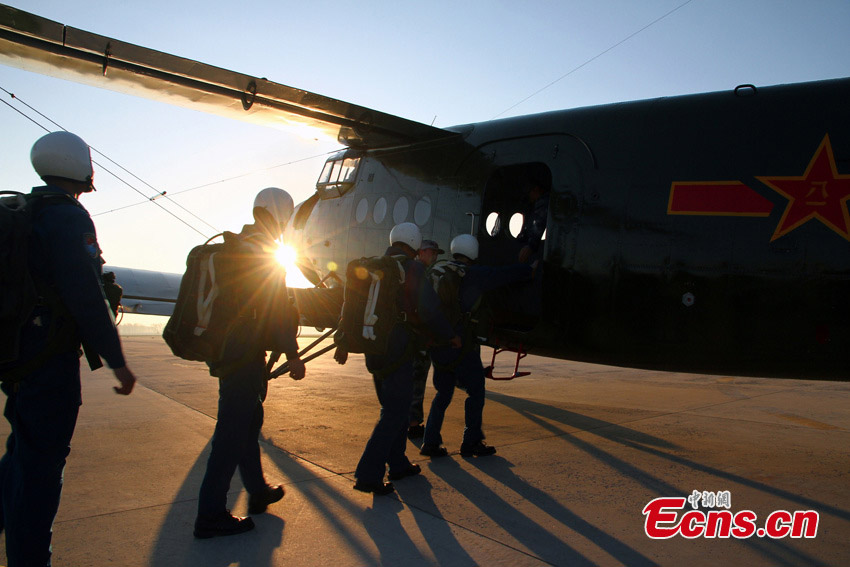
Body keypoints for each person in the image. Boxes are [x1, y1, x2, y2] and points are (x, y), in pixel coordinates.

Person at [0, 131, 137, 566]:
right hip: (49, 363)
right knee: (42, 471)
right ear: (79, 164)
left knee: (21, 451)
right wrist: (117, 362)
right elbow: (85, 298)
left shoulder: (27, 210)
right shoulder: (69, 218)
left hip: (17, 357)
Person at [194, 187, 306, 539]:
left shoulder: (239, 243)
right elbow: (276, 312)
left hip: (229, 353)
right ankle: (210, 515)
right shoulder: (263, 251)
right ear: (282, 215)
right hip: (243, 359)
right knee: (230, 434)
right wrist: (293, 354)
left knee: (247, 422)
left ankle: (257, 491)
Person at [335, 223, 459, 495]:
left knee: (394, 408)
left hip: (373, 347)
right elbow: (428, 308)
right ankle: (368, 475)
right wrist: (449, 335)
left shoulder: (374, 267)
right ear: (414, 244)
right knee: (394, 412)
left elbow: (349, 306)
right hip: (397, 348)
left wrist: (342, 342)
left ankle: (399, 463)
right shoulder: (412, 268)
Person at [421, 234, 532, 458]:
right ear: (472, 253)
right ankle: (471, 442)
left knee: (443, 394)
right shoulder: (472, 274)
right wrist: (529, 268)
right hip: (461, 346)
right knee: (476, 391)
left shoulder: (437, 271)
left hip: (438, 344)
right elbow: (503, 275)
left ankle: (430, 442)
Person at [408, 239, 444, 439]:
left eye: (437, 253)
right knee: (417, 379)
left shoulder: (414, 271)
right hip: (419, 337)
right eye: (432, 252)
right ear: (421, 252)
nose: (435, 256)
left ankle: (410, 421)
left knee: (413, 380)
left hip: (416, 335)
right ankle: (413, 424)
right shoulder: (420, 273)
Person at [517, 180, 550, 263]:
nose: (529, 196)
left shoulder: (543, 202)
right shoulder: (537, 205)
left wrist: (531, 246)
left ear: (536, 189)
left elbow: (539, 222)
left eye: (529, 192)